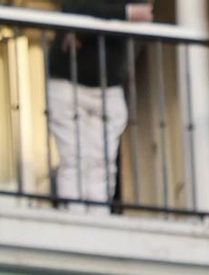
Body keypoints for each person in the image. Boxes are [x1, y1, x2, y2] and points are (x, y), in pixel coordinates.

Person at [46, 0, 152, 210]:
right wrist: (124, 13)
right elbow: (73, 7)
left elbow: (144, 15)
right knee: (73, 161)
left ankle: (97, 219)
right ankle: (76, 224)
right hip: (69, 83)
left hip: (107, 86)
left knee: (102, 165)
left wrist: (82, 28)